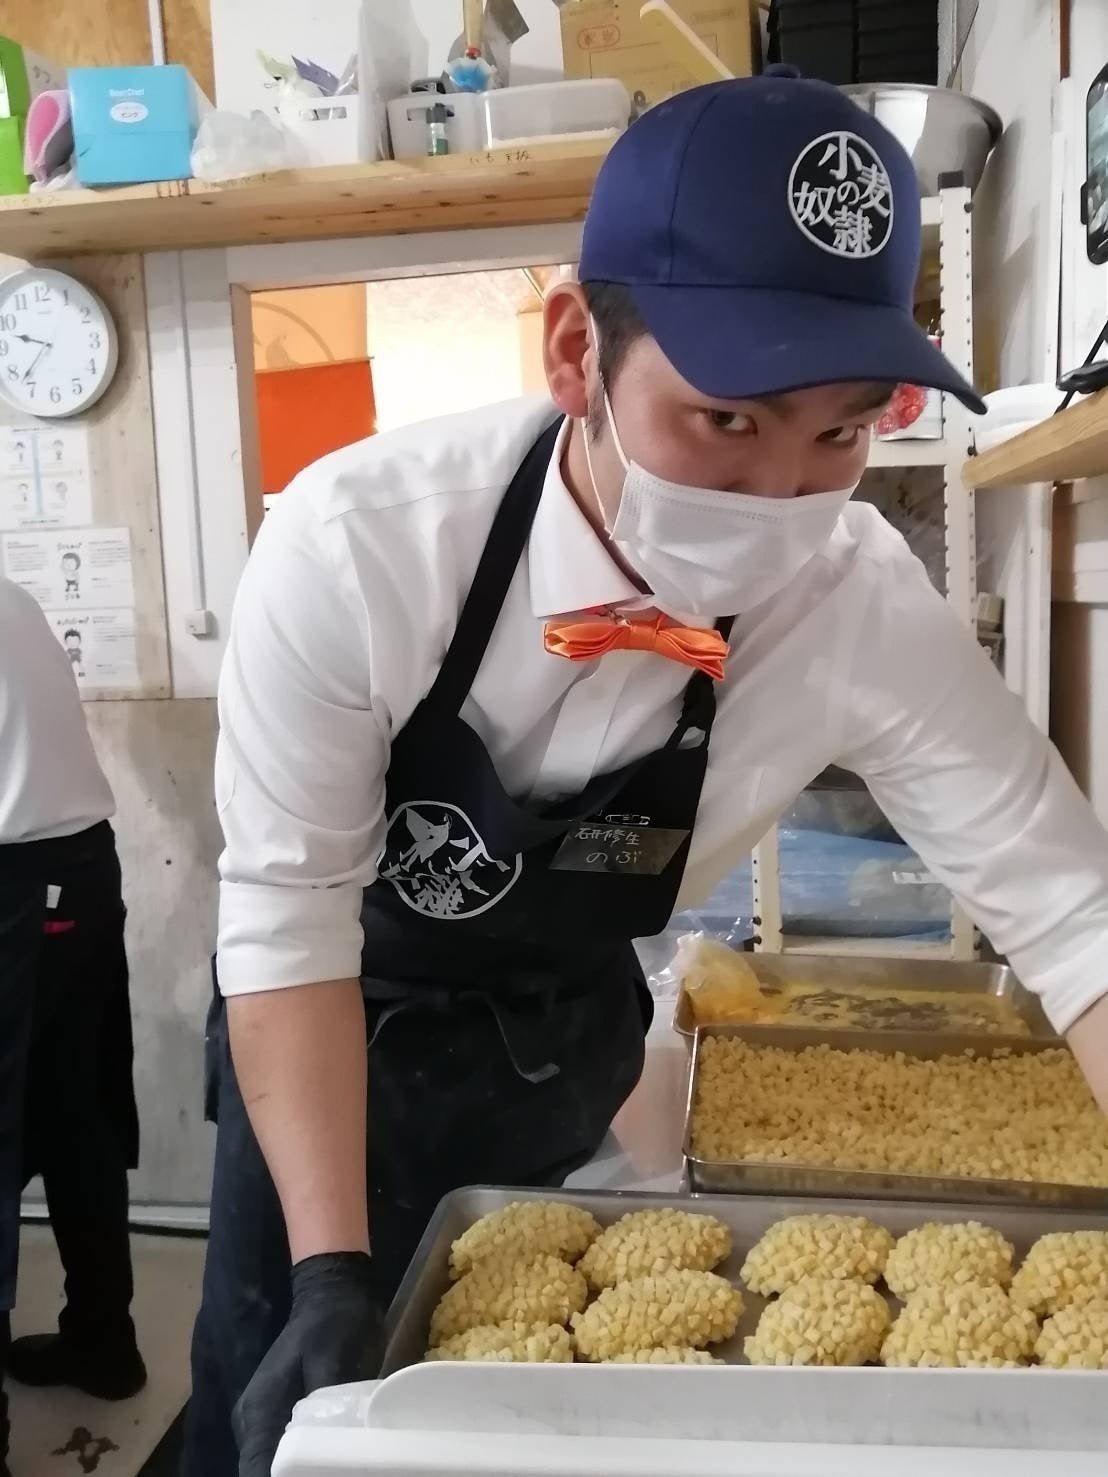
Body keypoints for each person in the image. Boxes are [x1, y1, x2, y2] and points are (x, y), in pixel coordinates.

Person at [185, 72, 1108, 1477]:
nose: (781, 497)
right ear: (576, 352)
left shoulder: (856, 603)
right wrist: (327, 1272)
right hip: (329, 1048)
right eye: (727, 420)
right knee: (277, 1410)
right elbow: (286, 919)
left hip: (565, 1047)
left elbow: (1075, 917)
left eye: (841, 432)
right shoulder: (357, 550)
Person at [0, 576, 144, 1477]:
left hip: (13, 885)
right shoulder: (10, 597)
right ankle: (103, 1340)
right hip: (80, 872)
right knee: (79, 1114)